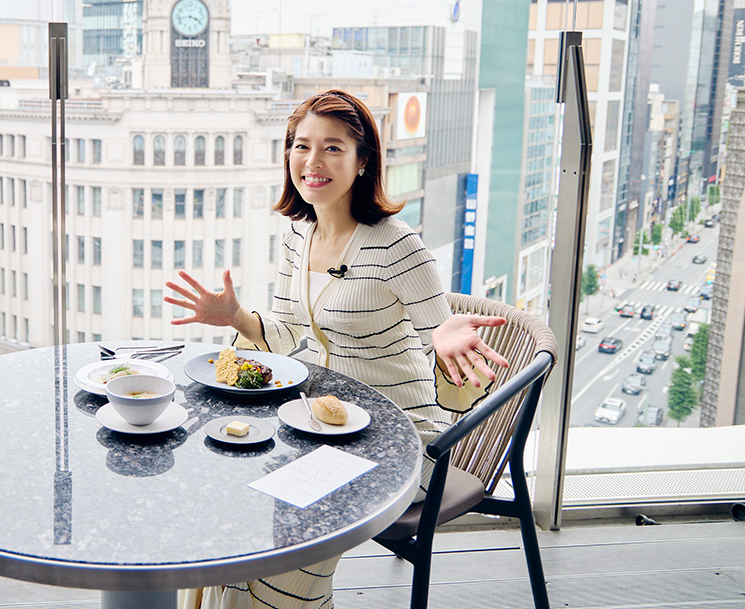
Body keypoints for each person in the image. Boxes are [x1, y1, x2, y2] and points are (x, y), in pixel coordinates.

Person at [165, 90, 509, 609]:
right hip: (320, 428)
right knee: (231, 513)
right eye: (302, 146)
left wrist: (444, 347)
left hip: (400, 442)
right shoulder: (297, 236)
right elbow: (284, 335)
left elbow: (453, 381)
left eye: (332, 148)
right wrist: (234, 317)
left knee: (290, 536)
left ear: (362, 159)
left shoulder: (396, 244)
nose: (313, 161)